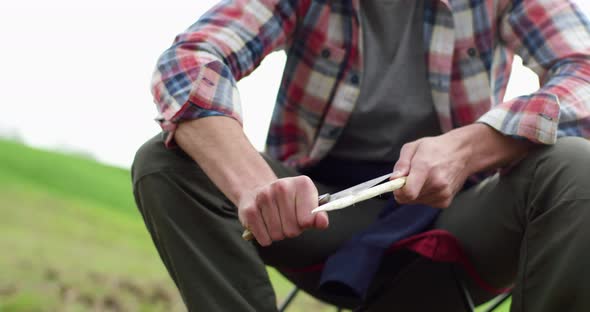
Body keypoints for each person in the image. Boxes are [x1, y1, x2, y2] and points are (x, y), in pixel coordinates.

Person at [132, 0, 590, 310]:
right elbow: (190, 59)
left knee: (578, 167)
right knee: (166, 162)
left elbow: (583, 68)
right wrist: (256, 185)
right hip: (321, 215)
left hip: (458, 214)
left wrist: (468, 147)